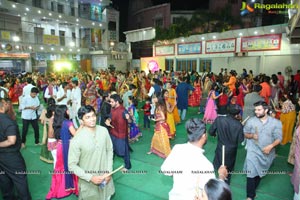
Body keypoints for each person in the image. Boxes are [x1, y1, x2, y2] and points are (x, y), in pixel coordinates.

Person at [161, 118, 228, 200]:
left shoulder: (177, 148)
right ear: (203, 136)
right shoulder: (205, 165)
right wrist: (222, 176)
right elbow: (213, 193)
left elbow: (165, 170)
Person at [68, 105, 115, 200]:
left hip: (106, 179)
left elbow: (109, 150)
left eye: (93, 115)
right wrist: (90, 177)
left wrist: (109, 171)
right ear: (81, 120)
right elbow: (71, 165)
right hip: (88, 184)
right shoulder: (76, 140)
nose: (92, 119)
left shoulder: (104, 131)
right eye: (87, 117)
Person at [243, 101, 282, 200]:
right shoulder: (251, 121)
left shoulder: (276, 123)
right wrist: (251, 135)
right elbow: (245, 133)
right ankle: (250, 196)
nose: (256, 112)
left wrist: (270, 146)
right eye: (255, 109)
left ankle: (253, 191)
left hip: (267, 154)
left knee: (259, 173)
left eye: (259, 110)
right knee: (250, 173)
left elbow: (279, 138)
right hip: (253, 151)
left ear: (266, 110)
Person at [0, 98, 32, 200]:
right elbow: (11, 140)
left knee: (4, 179)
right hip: (10, 156)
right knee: (20, 179)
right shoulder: (7, 120)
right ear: (3, 105)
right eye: (5, 103)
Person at [46, 105, 78, 199]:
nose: (68, 110)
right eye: (67, 109)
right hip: (68, 147)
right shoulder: (68, 123)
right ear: (65, 112)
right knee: (71, 165)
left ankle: (60, 189)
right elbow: (76, 135)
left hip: (59, 146)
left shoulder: (56, 122)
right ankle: (72, 186)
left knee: (60, 167)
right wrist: (82, 126)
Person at [209, 104, 244, 184]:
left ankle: (217, 185)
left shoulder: (219, 119)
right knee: (228, 171)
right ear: (237, 114)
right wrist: (241, 127)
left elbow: (211, 132)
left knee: (219, 168)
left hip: (221, 148)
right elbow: (240, 140)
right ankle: (225, 186)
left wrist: (215, 134)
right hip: (231, 151)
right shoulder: (238, 125)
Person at [106, 94, 132, 170]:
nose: (110, 103)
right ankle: (108, 165)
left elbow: (130, 121)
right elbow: (110, 117)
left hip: (121, 135)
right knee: (111, 150)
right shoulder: (112, 109)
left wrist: (128, 118)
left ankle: (127, 166)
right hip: (113, 133)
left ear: (117, 102)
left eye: (111, 102)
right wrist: (108, 121)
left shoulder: (123, 110)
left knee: (124, 151)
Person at [148, 93, 171, 158]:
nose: (153, 98)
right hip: (160, 124)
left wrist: (155, 120)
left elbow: (163, 117)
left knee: (164, 140)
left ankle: (167, 154)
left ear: (158, 99)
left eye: (154, 97)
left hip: (161, 126)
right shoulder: (159, 105)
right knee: (155, 138)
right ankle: (154, 150)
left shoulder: (159, 107)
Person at [39, 97, 55, 164]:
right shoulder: (56, 110)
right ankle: (53, 158)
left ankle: (45, 157)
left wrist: (46, 122)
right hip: (54, 127)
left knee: (45, 141)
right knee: (53, 141)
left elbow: (42, 122)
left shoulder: (45, 110)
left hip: (47, 127)